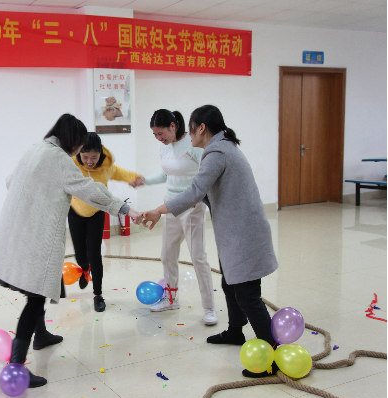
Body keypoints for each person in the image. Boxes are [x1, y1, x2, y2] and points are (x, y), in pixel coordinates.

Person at [0, 114, 142, 388]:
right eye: (79, 146)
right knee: (35, 298)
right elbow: (88, 190)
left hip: (14, 231)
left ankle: (42, 335)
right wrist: (124, 208)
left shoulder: (35, 149)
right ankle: (16, 364)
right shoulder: (59, 159)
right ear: (72, 140)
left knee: (36, 288)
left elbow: (11, 181)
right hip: (35, 236)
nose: (80, 152)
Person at [141, 105, 279, 378]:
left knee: (248, 295)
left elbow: (194, 190)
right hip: (235, 231)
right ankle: (235, 332)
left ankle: (271, 358)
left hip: (244, 233)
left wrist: (159, 210)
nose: (188, 133)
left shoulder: (216, 152)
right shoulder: (223, 147)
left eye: (191, 128)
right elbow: (207, 190)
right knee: (230, 283)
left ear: (202, 128)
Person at [131, 109, 217, 325]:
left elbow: (206, 174)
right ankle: (171, 299)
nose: (159, 138)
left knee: (198, 257)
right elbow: (167, 174)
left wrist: (200, 196)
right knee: (167, 254)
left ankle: (209, 308)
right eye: (155, 135)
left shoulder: (193, 144)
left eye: (161, 133)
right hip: (170, 205)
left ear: (172, 126)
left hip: (192, 205)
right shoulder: (165, 146)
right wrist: (145, 180)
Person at [69, 132, 142, 312]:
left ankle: (98, 295)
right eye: (85, 157)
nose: (90, 161)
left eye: (94, 157)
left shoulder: (105, 167)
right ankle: (84, 269)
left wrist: (133, 177)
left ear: (100, 154)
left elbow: (119, 172)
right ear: (79, 153)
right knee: (81, 256)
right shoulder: (71, 164)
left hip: (97, 213)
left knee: (95, 254)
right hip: (76, 212)